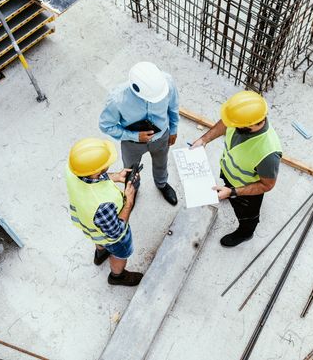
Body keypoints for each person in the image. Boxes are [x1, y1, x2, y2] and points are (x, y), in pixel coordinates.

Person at [191, 91, 282, 247]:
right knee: (227, 188)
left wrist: (233, 192)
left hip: (246, 192)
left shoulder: (268, 153)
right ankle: (228, 192)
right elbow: (226, 123)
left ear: (250, 125)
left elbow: (267, 185)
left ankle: (245, 233)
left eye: (235, 124)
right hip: (229, 174)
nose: (231, 125)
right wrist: (204, 139)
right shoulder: (242, 121)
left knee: (247, 215)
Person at [65, 137, 143, 286]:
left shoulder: (71, 169)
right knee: (120, 253)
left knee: (99, 240)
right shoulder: (103, 205)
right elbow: (116, 232)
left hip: (88, 224)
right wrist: (129, 200)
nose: (109, 164)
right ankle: (117, 276)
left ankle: (100, 254)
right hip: (112, 236)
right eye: (105, 165)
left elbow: (91, 179)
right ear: (97, 171)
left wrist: (115, 177)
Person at [99, 62, 179, 206]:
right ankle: (132, 190)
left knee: (162, 163)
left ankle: (162, 184)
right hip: (132, 145)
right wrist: (134, 136)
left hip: (161, 138)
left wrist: (173, 129)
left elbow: (173, 107)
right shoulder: (117, 99)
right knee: (131, 170)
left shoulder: (166, 84)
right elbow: (106, 125)